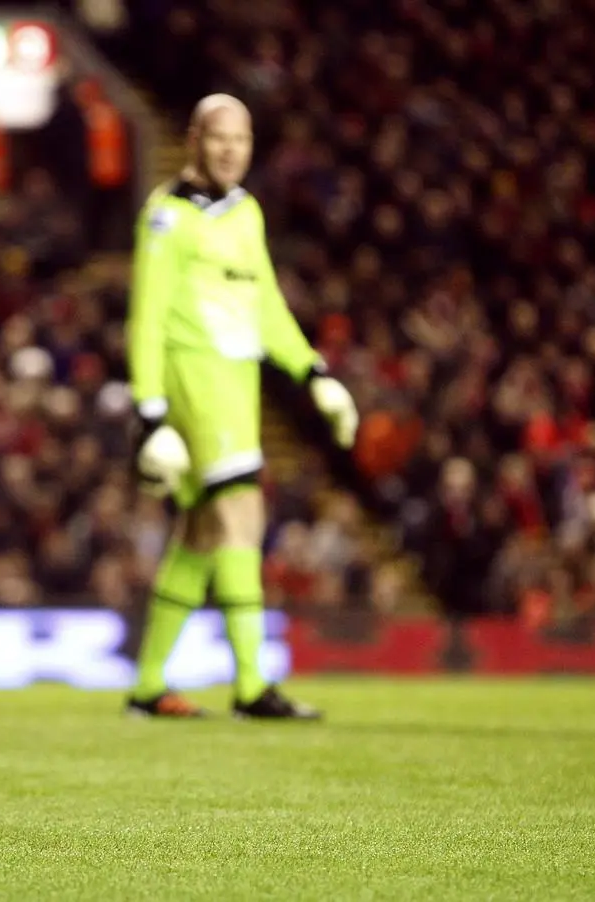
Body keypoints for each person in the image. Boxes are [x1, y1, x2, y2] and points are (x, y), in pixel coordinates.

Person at [124, 94, 360, 719]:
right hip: (194, 379)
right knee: (242, 517)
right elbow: (146, 317)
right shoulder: (168, 217)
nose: (231, 150)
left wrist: (312, 371)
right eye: (218, 137)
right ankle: (254, 684)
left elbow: (266, 306)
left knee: (201, 533)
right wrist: (149, 410)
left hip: (237, 383)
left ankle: (148, 685)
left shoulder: (244, 212)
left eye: (242, 139)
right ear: (193, 139)